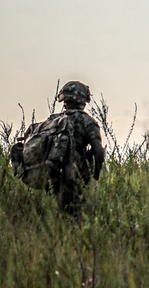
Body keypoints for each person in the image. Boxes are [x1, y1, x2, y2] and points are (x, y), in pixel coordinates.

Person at [10, 80, 105, 216]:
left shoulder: (52, 120)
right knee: (74, 214)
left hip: (51, 171)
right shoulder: (87, 121)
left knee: (59, 209)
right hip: (73, 174)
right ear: (84, 100)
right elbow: (98, 151)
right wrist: (95, 175)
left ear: (63, 99)